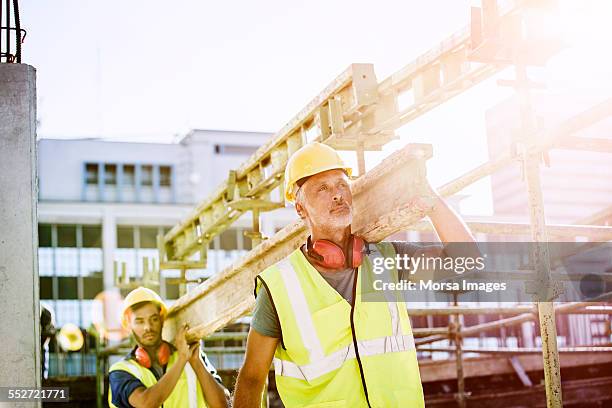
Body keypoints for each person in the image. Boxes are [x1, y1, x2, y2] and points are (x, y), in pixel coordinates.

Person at [232, 142, 477, 407]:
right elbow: (252, 377)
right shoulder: (279, 287)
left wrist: (428, 197)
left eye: (341, 184)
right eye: (322, 189)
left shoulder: (386, 260)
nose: (337, 195)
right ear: (300, 209)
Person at [108, 287, 229, 408]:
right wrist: (181, 359)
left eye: (154, 319)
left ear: (162, 319)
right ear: (129, 325)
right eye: (139, 321)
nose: (148, 327)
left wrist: (196, 363)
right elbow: (146, 403)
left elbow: (223, 404)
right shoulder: (121, 371)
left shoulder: (192, 355)